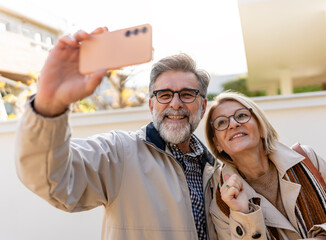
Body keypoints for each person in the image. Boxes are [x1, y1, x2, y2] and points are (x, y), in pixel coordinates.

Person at [15, 27, 220, 240]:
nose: (175, 104)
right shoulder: (119, 153)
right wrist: (49, 103)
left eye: (187, 94)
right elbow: (52, 178)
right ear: (151, 105)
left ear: (203, 106)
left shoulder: (214, 169)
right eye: (164, 95)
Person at [204, 91, 326, 239]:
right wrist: (242, 213)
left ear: (261, 128)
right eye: (222, 122)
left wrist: (325, 237)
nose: (233, 124)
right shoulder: (221, 206)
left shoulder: (306, 159)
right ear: (217, 144)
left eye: (242, 115)